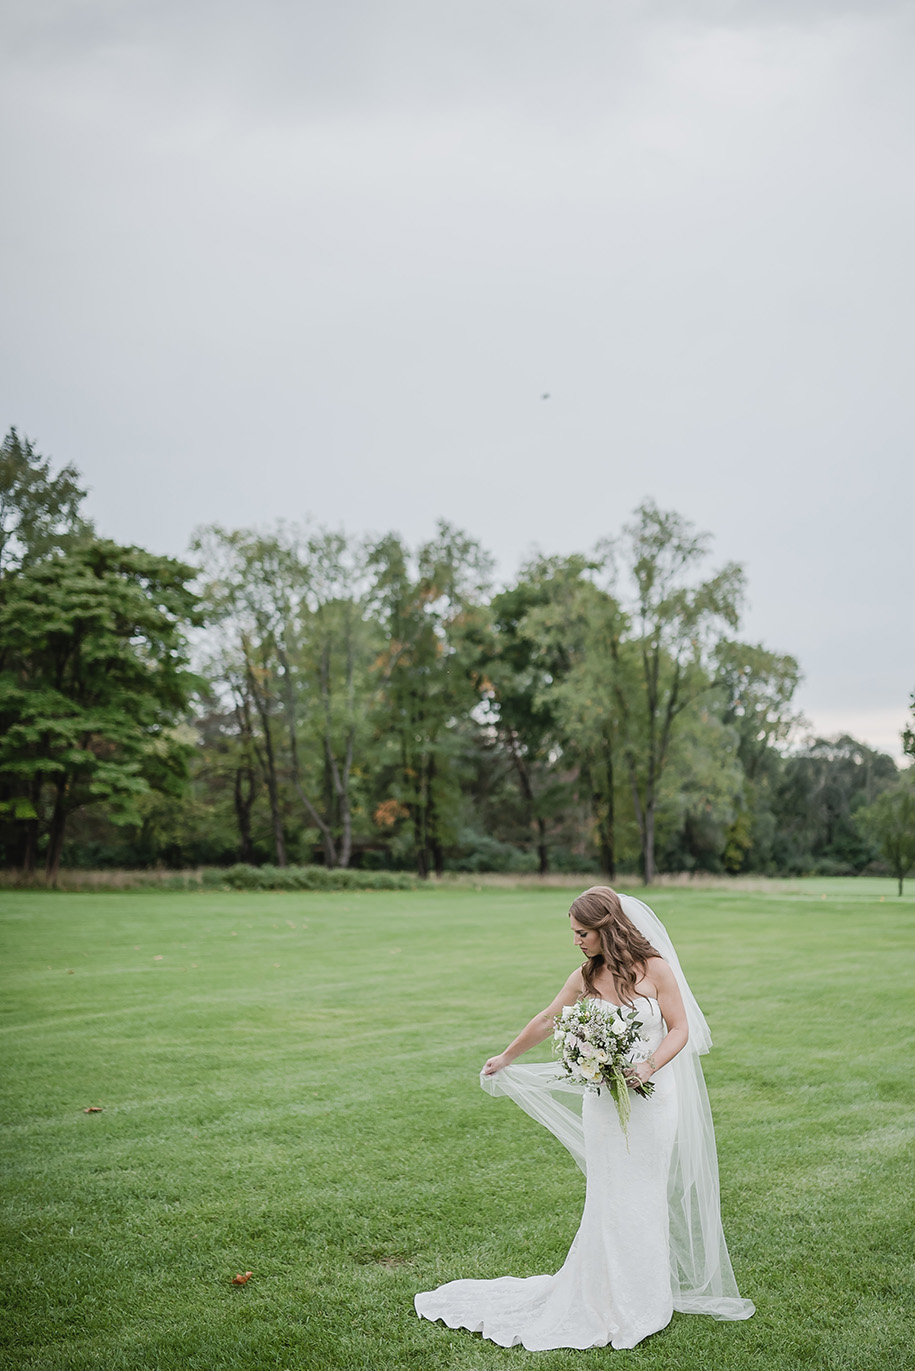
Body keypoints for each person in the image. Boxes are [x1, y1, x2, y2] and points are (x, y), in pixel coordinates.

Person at [414, 886, 755, 1351]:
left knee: (644, 1191)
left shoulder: (655, 969)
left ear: (607, 928)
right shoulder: (586, 975)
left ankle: (643, 1297)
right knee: (609, 1191)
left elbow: (680, 1029)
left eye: (582, 933)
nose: (575, 941)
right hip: (602, 1102)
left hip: (653, 1099)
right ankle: (601, 1294)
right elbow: (549, 1019)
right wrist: (507, 1056)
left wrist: (649, 1065)